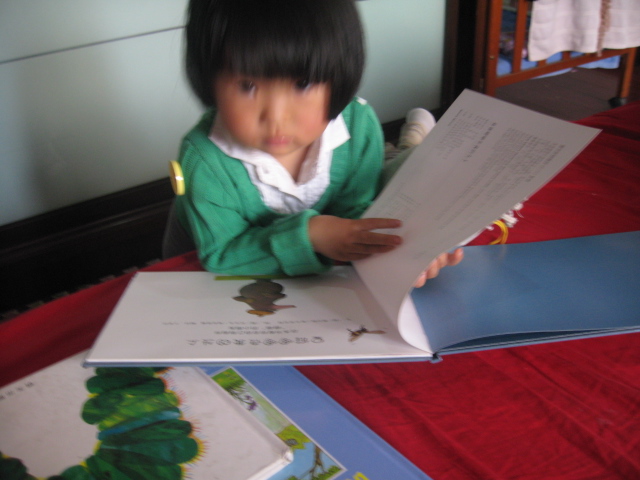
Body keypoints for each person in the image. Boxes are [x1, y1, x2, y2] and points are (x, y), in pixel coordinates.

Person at [163, 0, 463, 287]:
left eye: (302, 83)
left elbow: (357, 211)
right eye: (248, 85)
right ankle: (411, 139)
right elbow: (222, 256)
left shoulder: (358, 126)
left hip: (308, 273)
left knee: (407, 167)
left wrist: (406, 252)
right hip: (201, 255)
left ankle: (411, 141)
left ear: (339, 75)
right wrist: (309, 236)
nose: (276, 117)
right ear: (208, 80)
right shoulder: (203, 159)